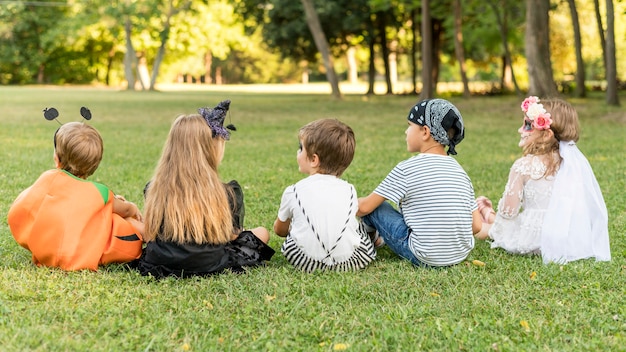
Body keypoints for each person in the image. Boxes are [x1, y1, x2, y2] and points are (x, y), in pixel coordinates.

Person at [134, 100, 274, 279]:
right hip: (210, 263)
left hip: (162, 262)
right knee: (262, 232)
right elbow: (231, 236)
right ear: (210, 150)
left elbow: (151, 231)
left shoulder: (154, 189)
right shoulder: (228, 193)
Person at [475, 96, 610, 264]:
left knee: (481, 228)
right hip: (567, 237)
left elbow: (509, 214)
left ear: (546, 134)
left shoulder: (523, 166)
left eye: (527, 125)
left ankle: (485, 213)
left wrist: (489, 213)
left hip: (533, 240)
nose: (520, 130)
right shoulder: (572, 165)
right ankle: (488, 215)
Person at [358, 99, 481, 267]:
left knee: (378, 208)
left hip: (423, 255)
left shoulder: (407, 168)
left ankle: (368, 241)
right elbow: (477, 226)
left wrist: (339, 201)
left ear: (425, 131)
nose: (405, 132)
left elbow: (365, 207)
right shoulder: (460, 171)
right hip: (460, 254)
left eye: (409, 125)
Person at [8, 121, 144, 271]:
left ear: (56, 158)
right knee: (119, 219)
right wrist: (131, 207)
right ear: (94, 165)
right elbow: (124, 210)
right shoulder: (99, 192)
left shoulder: (47, 179)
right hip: (83, 252)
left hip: (46, 250)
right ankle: (152, 235)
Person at [274, 119, 377, 272]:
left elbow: (280, 230)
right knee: (359, 229)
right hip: (350, 263)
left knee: (295, 233)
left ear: (314, 159)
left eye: (300, 148)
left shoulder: (293, 191)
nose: (298, 152)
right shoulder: (349, 189)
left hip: (304, 261)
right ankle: (375, 238)